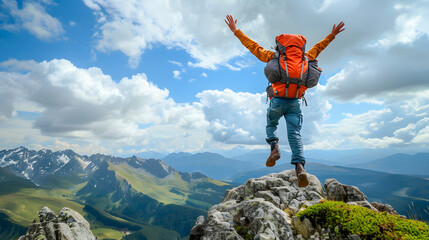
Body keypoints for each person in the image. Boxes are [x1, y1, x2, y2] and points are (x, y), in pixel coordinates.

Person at [225, 15, 345, 187]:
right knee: (295, 134)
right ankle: (300, 166)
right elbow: (320, 46)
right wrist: (332, 34)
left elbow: (253, 46)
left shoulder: (273, 57)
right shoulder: (307, 57)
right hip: (295, 103)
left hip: (277, 101)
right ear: (300, 47)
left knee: (271, 124)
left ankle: (274, 146)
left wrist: (236, 31)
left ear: (281, 46)